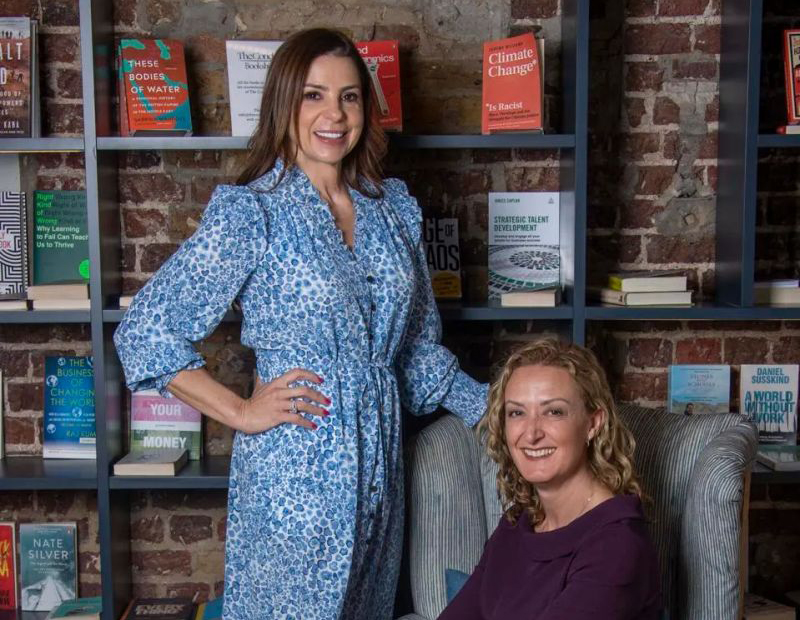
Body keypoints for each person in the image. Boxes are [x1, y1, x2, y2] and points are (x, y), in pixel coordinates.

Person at [113, 28, 487, 620]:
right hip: (295, 471)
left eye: (349, 97)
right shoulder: (254, 212)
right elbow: (145, 331)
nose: (333, 115)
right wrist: (241, 411)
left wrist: (495, 410)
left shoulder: (391, 210)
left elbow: (413, 354)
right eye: (314, 95)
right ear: (284, 103)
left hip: (380, 467)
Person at [439, 339, 660, 620]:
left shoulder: (617, 546)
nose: (531, 433)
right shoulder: (516, 524)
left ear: (593, 423)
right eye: (517, 412)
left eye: (554, 412)